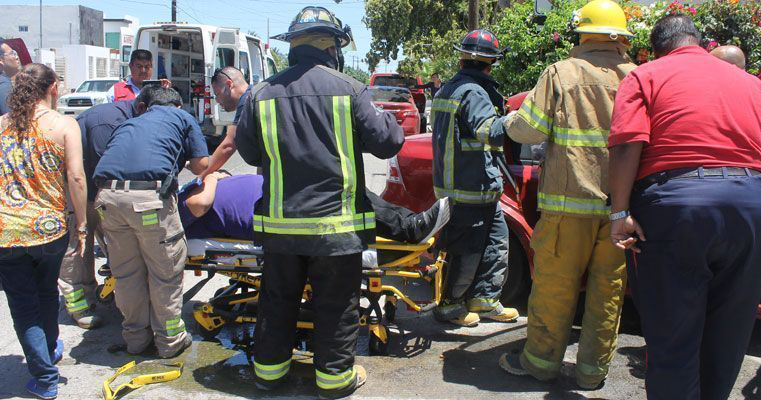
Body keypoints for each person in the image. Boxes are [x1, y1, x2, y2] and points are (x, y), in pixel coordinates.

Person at [235, 7, 403, 398]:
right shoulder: (351, 89)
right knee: (336, 307)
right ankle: (334, 381)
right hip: (335, 231)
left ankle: (269, 375)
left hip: (281, 230)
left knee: (276, 304)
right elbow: (388, 142)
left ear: (293, 47)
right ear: (331, 47)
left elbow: (249, 151)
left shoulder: (259, 95)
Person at [609, 14, 761, 400]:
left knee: (672, 341)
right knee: (728, 336)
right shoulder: (753, 85)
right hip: (753, 206)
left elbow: (628, 143)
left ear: (658, 48)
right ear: (697, 41)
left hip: (677, 209)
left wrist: (619, 214)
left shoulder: (645, 75)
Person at [499, 0, 636, 389]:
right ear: (621, 38)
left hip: (566, 207)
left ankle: (541, 364)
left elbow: (528, 131)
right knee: (607, 292)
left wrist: (508, 121)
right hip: (619, 211)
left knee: (555, 290)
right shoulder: (638, 77)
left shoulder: (562, 73)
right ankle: (592, 374)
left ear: (581, 33)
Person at [93, 86, 209, 359]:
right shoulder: (182, 118)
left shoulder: (130, 123)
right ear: (177, 105)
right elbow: (201, 164)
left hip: (106, 201)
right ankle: (170, 341)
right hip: (148, 202)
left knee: (126, 274)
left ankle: (135, 340)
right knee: (164, 272)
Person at [0, 63, 87, 400]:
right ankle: (46, 367)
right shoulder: (65, 124)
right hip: (50, 229)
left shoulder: (3, 126)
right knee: (47, 292)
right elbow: (76, 177)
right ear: (52, 88)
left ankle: (45, 363)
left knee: (24, 304)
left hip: (8, 231)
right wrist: (81, 224)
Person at [430, 29, 518, 328]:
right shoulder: (474, 92)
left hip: (470, 186)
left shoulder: (448, 89)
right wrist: (518, 118)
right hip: (470, 187)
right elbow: (488, 132)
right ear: (489, 63)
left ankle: (485, 299)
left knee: (496, 242)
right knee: (468, 252)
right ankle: (450, 307)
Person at [57, 88, 154, 330]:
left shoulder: (129, 119)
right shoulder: (108, 121)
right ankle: (79, 302)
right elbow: (106, 169)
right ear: (142, 108)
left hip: (98, 191)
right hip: (81, 190)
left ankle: (107, 292)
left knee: (114, 241)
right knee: (80, 245)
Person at [178, 172, 449, 244]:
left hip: (279, 193)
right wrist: (212, 177)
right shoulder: (175, 208)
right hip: (274, 212)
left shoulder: (180, 190)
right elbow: (199, 204)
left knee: (343, 185)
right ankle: (412, 228)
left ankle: (410, 222)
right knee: (342, 197)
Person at [200, 67, 252, 178]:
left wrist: (198, 180)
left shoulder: (248, 100)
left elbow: (228, 146)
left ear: (229, 85)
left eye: (217, 94)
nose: (217, 101)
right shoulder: (254, 94)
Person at [0, 38, 22, 116]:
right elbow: (12, 119)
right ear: (1, 60)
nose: (16, 57)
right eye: (12, 53)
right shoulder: (3, 85)